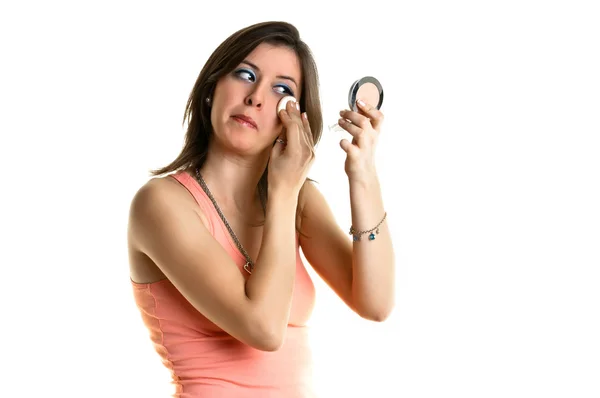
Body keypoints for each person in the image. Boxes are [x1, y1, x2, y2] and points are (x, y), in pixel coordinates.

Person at [127, 20, 395, 397]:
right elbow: (264, 330)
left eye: (281, 89)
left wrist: (362, 171)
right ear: (211, 89)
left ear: (295, 117)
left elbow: (376, 302)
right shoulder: (161, 203)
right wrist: (284, 192)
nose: (255, 97)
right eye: (244, 74)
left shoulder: (298, 201)